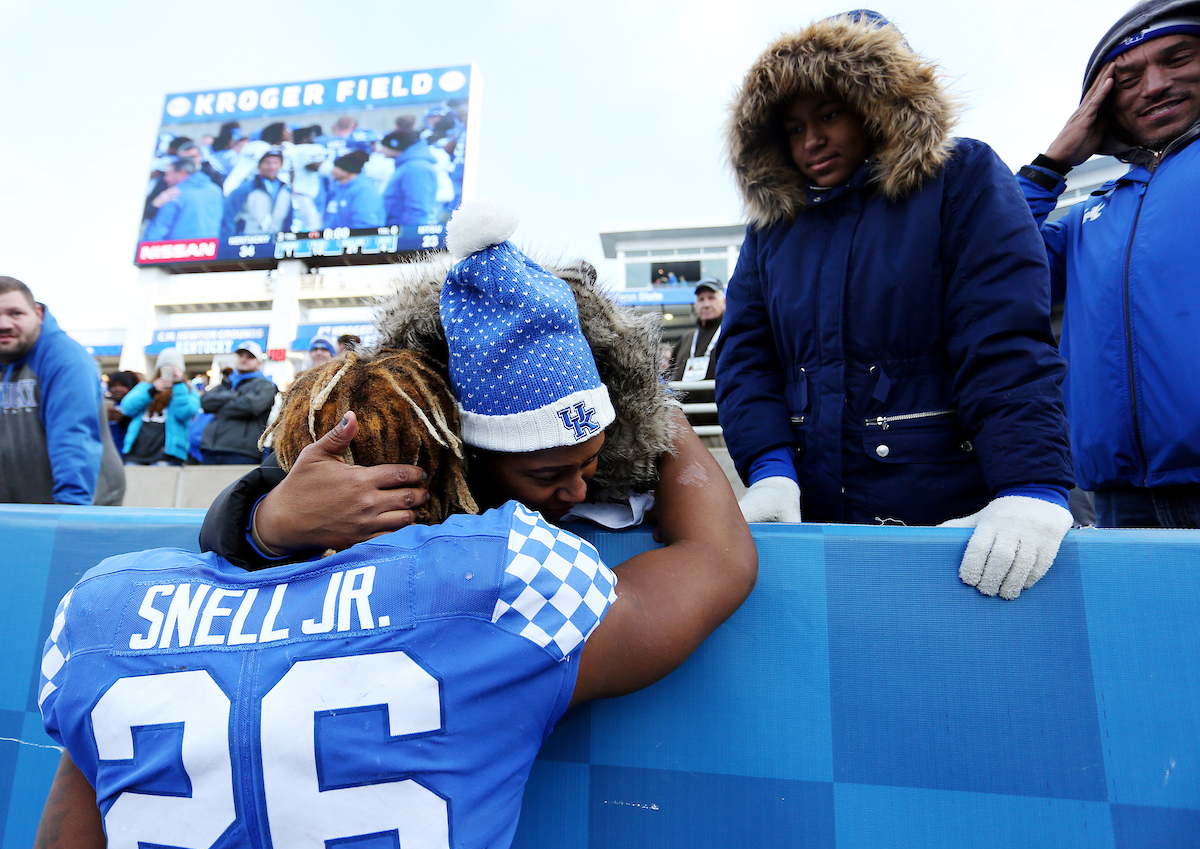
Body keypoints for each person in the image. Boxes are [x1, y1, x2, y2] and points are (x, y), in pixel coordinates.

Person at [30, 298, 756, 849]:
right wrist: (627, 387)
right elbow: (714, 558)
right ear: (454, 463)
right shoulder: (502, 580)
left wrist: (259, 517)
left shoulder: (105, 609)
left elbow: (71, 844)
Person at [717, 10, 1074, 599]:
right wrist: (771, 471)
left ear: (879, 101)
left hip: (950, 521)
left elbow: (1003, 339)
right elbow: (745, 360)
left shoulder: (963, 178)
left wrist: (1032, 484)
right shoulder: (773, 228)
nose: (811, 141)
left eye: (829, 113)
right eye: (792, 126)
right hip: (816, 519)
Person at [199, 203, 679, 566]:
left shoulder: (621, 450)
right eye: (547, 476)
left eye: (589, 463)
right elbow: (244, 508)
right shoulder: (387, 430)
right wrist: (273, 523)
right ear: (469, 451)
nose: (576, 491)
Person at [1017, 0, 1200, 528]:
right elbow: (986, 263)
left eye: (1179, 57)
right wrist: (1051, 165)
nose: (1154, 86)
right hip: (1120, 501)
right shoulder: (1088, 214)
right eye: (1128, 78)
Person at [0, 277, 124, 505]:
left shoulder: (66, 360)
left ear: (37, 313)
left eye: (15, 313)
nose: (4, 324)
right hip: (22, 507)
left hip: (78, 504)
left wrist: (69, 515)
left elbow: (73, 438)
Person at [199, 341, 277, 465]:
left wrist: (218, 408)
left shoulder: (265, 385)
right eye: (241, 355)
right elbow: (205, 402)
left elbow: (251, 407)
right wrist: (234, 396)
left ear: (259, 363)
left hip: (242, 453)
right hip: (211, 450)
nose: (244, 359)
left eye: (250, 357)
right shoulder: (226, 384)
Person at [118, 348, 200, 466]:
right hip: (136, 452)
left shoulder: (189, 391)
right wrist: (152, 390)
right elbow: (127, 408)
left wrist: (178, 385)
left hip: (168, 454)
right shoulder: (145, 388)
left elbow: (184, 413)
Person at [143, 157, 223, 241]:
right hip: (209, 247)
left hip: (178, 249)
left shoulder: (174, 194)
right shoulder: (215, 190)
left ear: (182, 173)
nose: (165, 179)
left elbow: (160, 227)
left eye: (168, 174)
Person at [220, 149, 292, 238]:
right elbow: (228, 218)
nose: (271, 167)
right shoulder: (245, 189)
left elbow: (288, 221)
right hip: (248, 242)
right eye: (267, 163)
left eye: (275, 163)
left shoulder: (285, 190)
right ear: (259, 165)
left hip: (275, 242)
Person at [380, 128, 439, 226]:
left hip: (405, 233)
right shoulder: (408, 166)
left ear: (396, 146)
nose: (381, 150)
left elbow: (417, 208)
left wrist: (409, 236)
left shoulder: (416, 168)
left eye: (385, 147)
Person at [325, 151, 385, 229]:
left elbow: (365, 224)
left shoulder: (364, 190)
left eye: (337, 168)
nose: (332, 171)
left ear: (347, 171)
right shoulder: (338, 189)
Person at [104, 370, 139, 454]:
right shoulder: (106, 405)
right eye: (113, 386)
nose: (117, 389)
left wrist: (124, 420)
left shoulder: (137, 407)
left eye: (123, 386)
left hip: (129, 454)